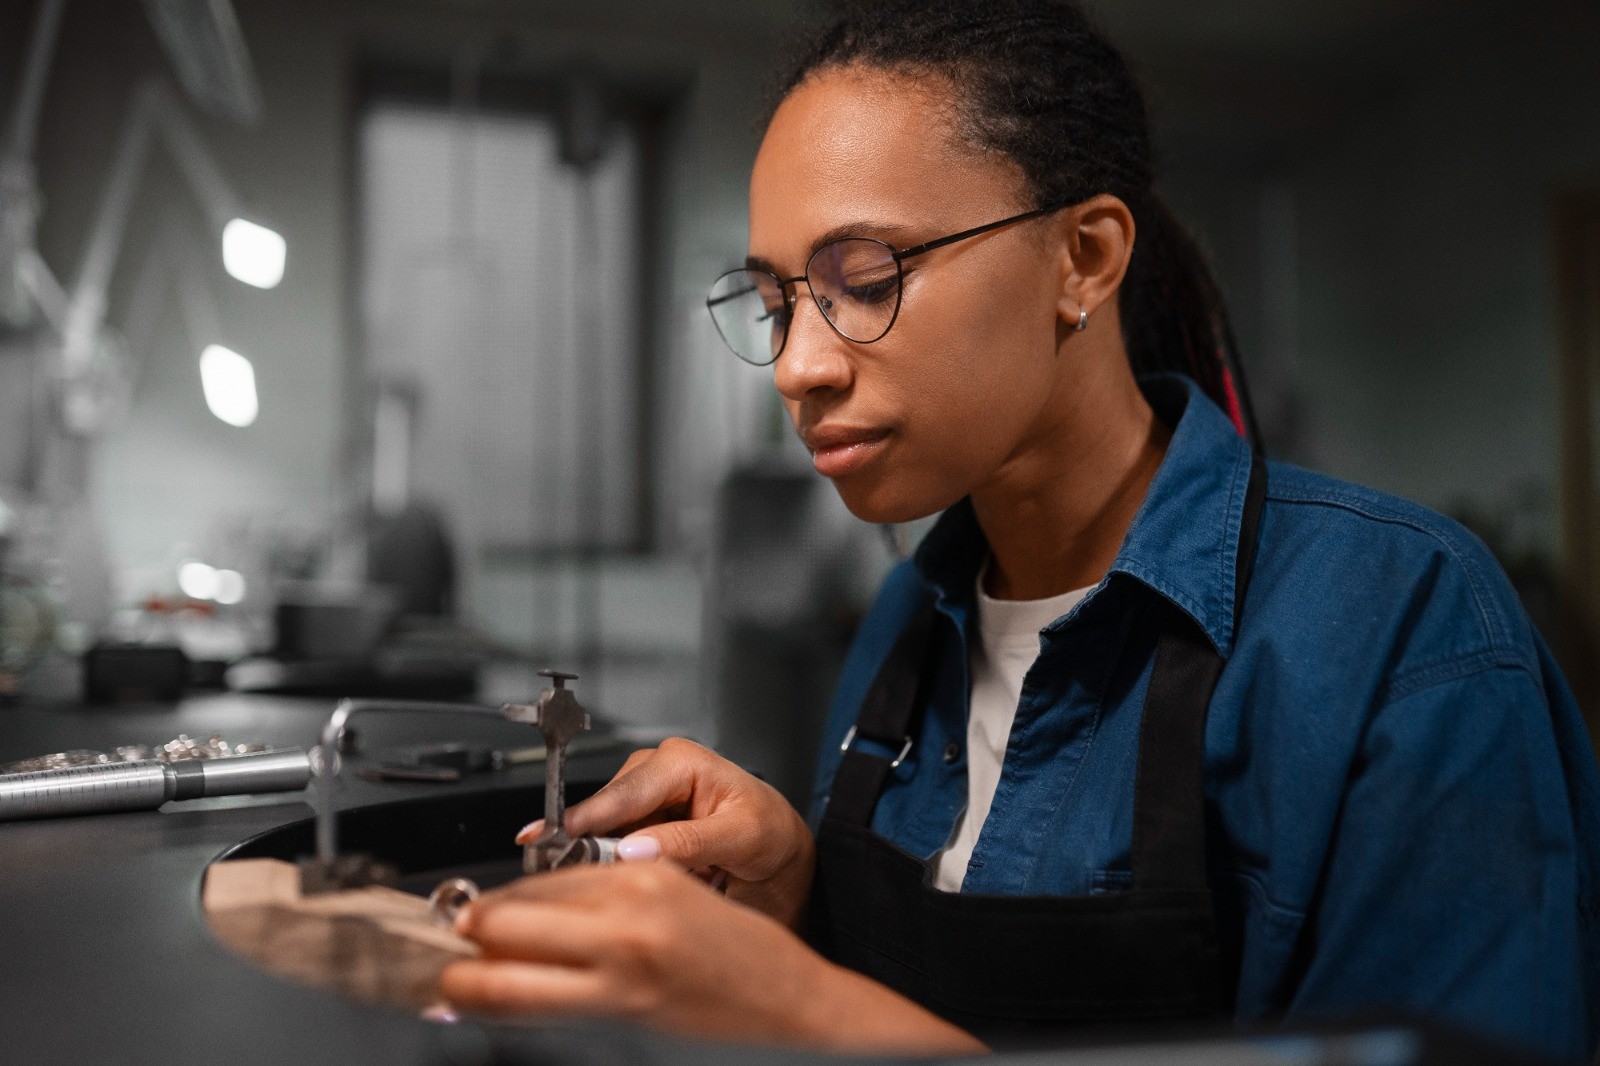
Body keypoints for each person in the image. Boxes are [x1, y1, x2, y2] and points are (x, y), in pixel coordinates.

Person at [438, 1, 1600, 1059]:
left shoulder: (1401, 631)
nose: (796, 367)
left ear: (1081, 257)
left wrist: (810, 1010)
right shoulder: (911, 619)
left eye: (866, 276)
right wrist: (796, 901)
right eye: (780, 298)